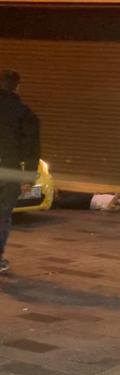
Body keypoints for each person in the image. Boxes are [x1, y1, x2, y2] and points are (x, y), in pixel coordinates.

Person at [0, 69, 40, 274]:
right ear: (17, 86)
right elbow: (31, 147)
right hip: (10, 171)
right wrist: (28, 177)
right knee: (3, 214)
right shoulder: (23, 112)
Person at [53, 191, 120, 212]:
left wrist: (116, 197)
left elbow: (109, 208)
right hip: (92, 197)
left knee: (65, 202)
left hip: (90, 202)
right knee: (67, 198)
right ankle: (46, 198)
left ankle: (47, 202)